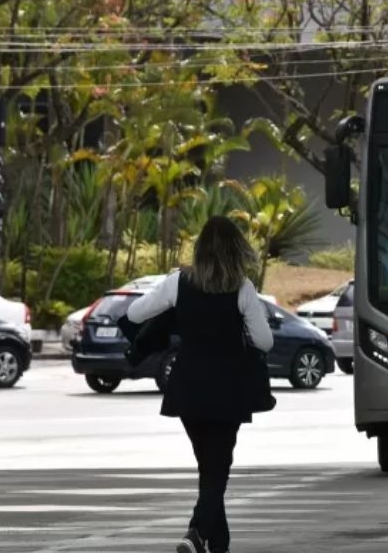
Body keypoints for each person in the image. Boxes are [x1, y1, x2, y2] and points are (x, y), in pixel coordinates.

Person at [127, 216, 274, 553]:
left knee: (209, 465)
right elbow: (264, 342)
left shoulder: (178, 282)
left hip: (188, 387)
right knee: (217, 467)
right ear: (236, 249)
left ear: (200, 248)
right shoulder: (242, 287)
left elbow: (135, 313)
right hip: (229, 390)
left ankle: (218, 542)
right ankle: (196, 533)